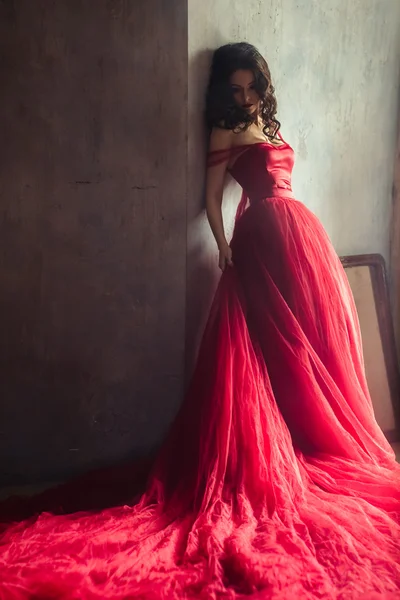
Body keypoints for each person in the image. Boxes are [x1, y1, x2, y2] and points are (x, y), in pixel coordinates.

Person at [0, 42, 399, 600]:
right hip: (260, 239)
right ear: (222, 94)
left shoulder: (267, 122)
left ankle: (314, 438)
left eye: (251, 87)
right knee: (271, 354)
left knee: (312, 350)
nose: (244, 97)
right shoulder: (226, 131)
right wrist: (223, 247)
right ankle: (284, 452)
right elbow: (211, 199)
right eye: (234, 90)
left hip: (302, 237)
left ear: (262, 84)